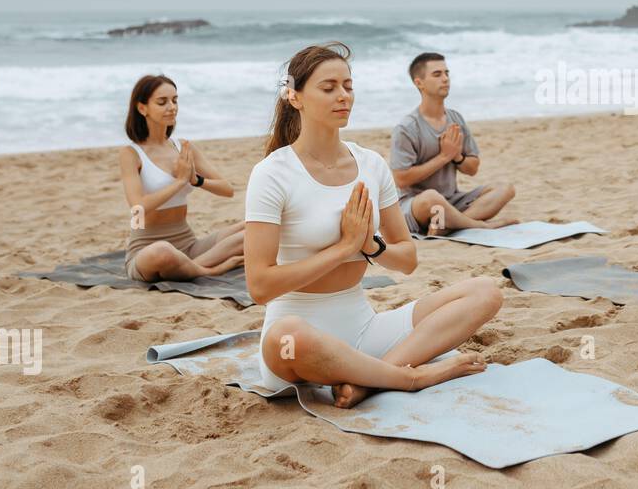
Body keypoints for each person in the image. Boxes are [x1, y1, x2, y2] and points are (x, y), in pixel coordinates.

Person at [244, 43, 502, 409]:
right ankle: (409, 377)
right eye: (328, 87)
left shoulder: (370, 164)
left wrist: (371, 248)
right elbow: (259, 286)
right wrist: (343, 249)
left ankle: (372, 378)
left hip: (364, 329)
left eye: (348, 86)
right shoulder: (272, 173)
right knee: (288, 336)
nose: (343, 96)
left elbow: (407, 260)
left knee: (485, 292)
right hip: (299, 338)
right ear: (295, 97)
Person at [118, 75, 245, 282]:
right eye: (162, 102)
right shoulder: (131, 154)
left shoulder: (183, 147)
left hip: (189, 244)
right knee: (163, 252)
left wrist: (196, 181)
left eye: (175, 100)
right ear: (142, 108)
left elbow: (227, 190)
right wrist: (179, 182)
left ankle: (191, 266)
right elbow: (137, 208)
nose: (171, 107)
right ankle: (209, 269)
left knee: (251, 229)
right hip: (148, 248)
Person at [389, 52, 516, 234]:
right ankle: (479, 226)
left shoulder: (455, 119)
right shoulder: (407, 127)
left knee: (505, 188)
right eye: (437, 74)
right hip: (417, 205)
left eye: (447, 73)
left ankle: (447, 224)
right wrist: (443, 157)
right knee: (433, 198)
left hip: (452, 201)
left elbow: (472, 169)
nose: (445, 79)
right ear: (419, 83)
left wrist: (457, 157)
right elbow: (401, 179)